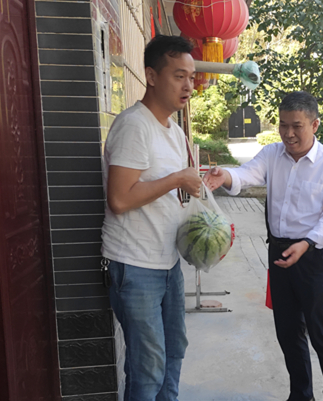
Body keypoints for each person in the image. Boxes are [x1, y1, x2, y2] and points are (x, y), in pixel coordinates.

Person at [204, 91, 323, 401]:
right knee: (288, 332)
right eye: (283, 125)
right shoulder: (272, 154)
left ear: (315, 125)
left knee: (322, 334)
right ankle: (301, 395)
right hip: (279, 253)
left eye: (297, 126)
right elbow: (247, 174)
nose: (288, 133)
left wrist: (307, 243)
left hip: (312, 255)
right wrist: (224, 175)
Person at [101, 35, 202, 400]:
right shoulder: (134, 126)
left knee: (173, 352)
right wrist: (177, 178)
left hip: (167, 262)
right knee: (148, 368)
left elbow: (171, 194)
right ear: (151, 76)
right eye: (179, 76)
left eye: (191, 77)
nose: (188, 86)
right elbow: (119, 199)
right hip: (135, 264)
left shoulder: (173, 130)